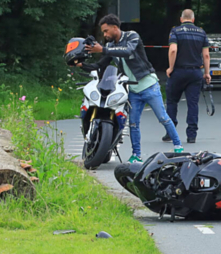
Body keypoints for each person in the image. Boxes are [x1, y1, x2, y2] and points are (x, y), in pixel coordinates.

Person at [88, 14, 182, 163]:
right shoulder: (111, 47)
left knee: (163, 117)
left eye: (106, 31)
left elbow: (127, 51)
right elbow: (100, 64)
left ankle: (178, 147)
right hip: (132, 90)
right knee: (133, 123)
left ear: (115, 28)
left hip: (149, 85)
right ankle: (136, 155)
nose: (105, 35)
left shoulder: (132, 36)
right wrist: (80, 64)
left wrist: (103, 50)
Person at [162, 9, 211, 144]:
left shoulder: (175, 31)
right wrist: (206, 73)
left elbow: (173, 50)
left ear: (181, 19)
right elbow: (206, 55)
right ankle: (191, 135)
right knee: (193, 104)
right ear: (193, 20)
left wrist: (171, 67)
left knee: (172, 101)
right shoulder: (201, 32)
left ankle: (170, 132)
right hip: (195, 73)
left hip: (178, 71)